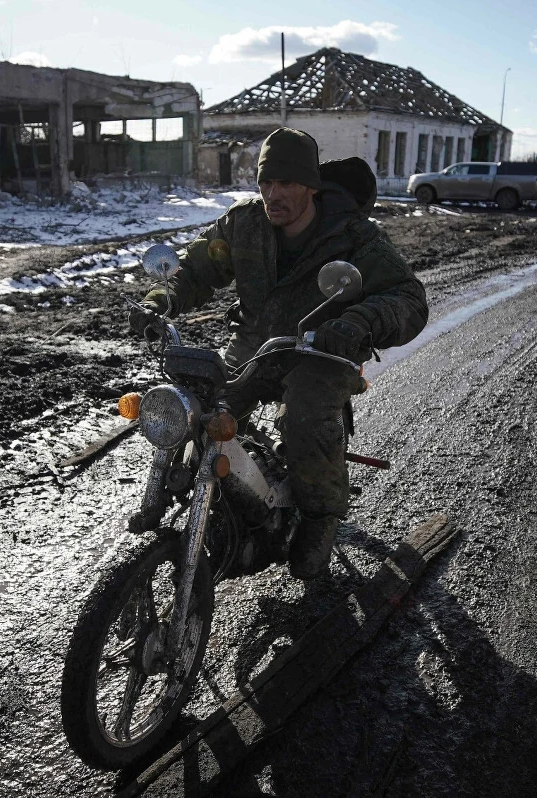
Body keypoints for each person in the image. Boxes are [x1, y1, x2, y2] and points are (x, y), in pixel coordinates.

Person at [129, 128, 428, 580]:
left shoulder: (353, 236)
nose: (274, 194)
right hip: (254, 347)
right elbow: (198, 267)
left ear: (311, 186)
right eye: (266, 183)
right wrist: (161, 299)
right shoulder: (243, 223)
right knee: (197, 406)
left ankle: (320, 518)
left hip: (322, 354)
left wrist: (357, 322)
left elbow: (408, 298)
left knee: (305, 416)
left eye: (286, 184)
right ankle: (199, 498)